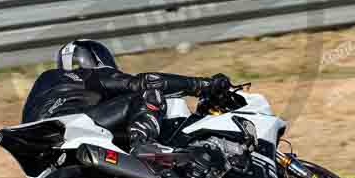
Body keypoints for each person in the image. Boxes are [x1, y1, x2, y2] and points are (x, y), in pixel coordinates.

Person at [21, 39, 231, 154]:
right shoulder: (92, 74)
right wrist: (203, 85)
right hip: (73, 125)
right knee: (147, 95)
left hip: (36, 142)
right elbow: (147, 81)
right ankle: (145, 145)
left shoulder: (45, 82)